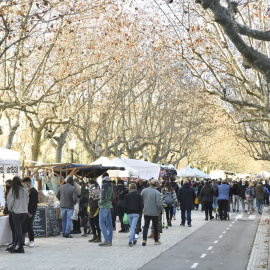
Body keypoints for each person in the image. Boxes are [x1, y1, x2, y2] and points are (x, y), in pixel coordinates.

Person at [6, 176, 29, 253]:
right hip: (24, 211)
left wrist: (10, 209)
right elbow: (27, 201)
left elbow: (10, 202)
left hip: (16, 211)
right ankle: (15, 246)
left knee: (18, 229)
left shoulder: (12, 190)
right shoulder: (24, 190)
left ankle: (21, 247)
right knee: (19, 229)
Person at [141, 179, 163, 246]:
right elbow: (158, 203)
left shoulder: (144, 191)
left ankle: (144, 240)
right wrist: (161, 209)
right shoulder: (157, 193)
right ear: (156, 184)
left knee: (146, 226)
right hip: (155, 212)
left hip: (146, 211)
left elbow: (141, 200)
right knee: (155, 226)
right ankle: (156, 240)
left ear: (149, 184)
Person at [98, 172, 114, 247]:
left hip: (104, 206)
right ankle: (110, 240)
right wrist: (109, 201)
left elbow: (103, 196)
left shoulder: (104, 184)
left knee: (101, 223)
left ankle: (107, 240)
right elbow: (113, 197)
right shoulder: (111, 184)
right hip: (109, 206)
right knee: (110, 225)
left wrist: (99, 203)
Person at [22, 177, 39, 247]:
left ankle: (32, 240)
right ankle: (29, 240)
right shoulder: (27, 190)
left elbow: (34, 203)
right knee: (27, 225)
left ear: (27, 182)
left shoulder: (34, 191)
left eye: (24, 183)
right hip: (25, 211)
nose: (24, 184)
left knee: (30, 225)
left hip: (31, 211)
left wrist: (31, 212)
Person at [4, 180, 15, 249]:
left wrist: (9, 209)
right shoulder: (8, 191)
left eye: (7, 184)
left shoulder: (12, 192)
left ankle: (15, 241)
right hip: (10, 211)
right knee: (12, 228)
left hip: (12, 211)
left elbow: (10, 203)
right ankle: (13, 241)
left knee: (14, 228)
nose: (6, 185)